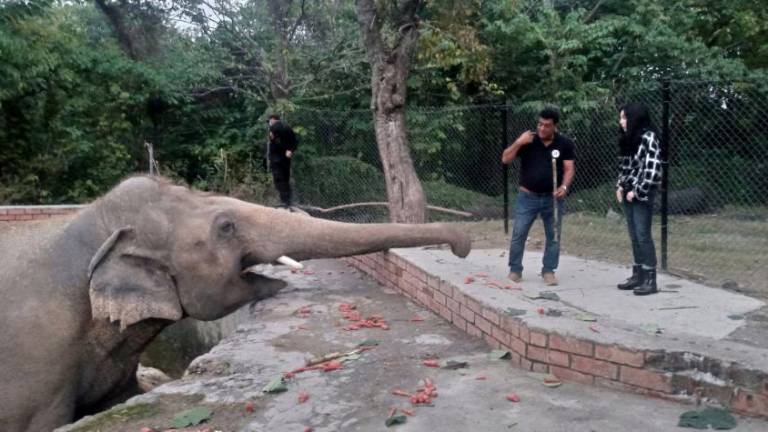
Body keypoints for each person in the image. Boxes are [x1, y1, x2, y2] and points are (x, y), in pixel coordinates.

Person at [501, 108, 575, 286]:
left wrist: (564, 186)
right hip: (527, 197)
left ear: (555, 126)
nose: (542, 128)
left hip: (553, 199)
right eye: (540, 124)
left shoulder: (564, 143)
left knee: (554, 236)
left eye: (547, 125)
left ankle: (548, 271)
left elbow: (569, 169)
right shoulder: (528, 140)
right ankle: (515, 270)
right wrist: (518, 142)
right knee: (519, 234)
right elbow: (505, 159)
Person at [615, 103, 663, 295]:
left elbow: (653, 170)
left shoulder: (648, 137)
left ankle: (650, 279)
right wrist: (620, 186)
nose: (621, 121)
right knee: (634, 234)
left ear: (635, 118)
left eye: (624, 117)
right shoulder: (629, 138)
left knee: (643, 234)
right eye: (621, 117)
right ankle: (638, 275)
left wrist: (636, 191)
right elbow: (625, 167)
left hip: (642, 193)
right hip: (628, 192)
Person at [266, 114, 298, 208]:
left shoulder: (274, 127)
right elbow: (295, 141)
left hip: (277, 158)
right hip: (285, 158)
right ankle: (288, 201)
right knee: (285, 178)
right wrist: (290, 150)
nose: (269, 123)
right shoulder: (287, 127)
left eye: (269, 121)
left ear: (273, 120)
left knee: (279, 179)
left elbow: (273, 139)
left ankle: (285, 201)